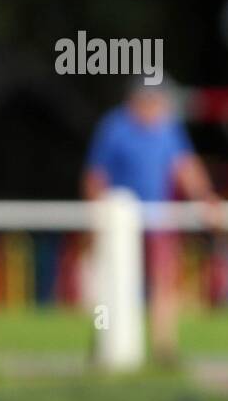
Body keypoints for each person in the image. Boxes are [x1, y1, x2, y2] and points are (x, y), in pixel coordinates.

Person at [82, 78, 219, 363]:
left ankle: (163, 347)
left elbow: (185, 167)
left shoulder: (168, 128)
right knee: (113, 283)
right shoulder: (114, 127)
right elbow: (96, 176)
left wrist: (206, 199)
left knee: (163, 281)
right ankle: (103, 340)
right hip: (120, 223)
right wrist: (97, 216)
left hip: (158, 220)